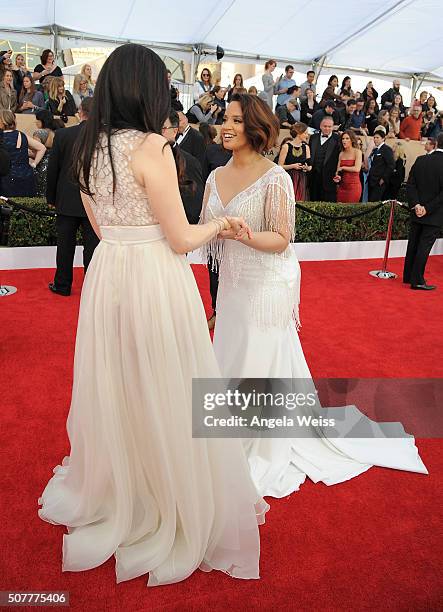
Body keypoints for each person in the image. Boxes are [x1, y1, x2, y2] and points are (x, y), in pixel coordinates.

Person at [38, 45, 267, 585]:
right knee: (166, 382)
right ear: (147, 88)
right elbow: (182, 237)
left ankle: (124, 487)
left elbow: (95, 224)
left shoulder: (88, 146)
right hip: (152, 277)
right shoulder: (153, 147)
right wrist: (223, 227)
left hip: (109, 273)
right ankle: (165, 495)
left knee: (118, 383)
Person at [201, 92, 427, 498]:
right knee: (230, 355)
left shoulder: (276, 178)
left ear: (255, 128)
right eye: (225, 119)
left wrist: (242, 234)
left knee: (257, 359)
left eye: (236, 120)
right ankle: (227, 432)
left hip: (266, 285)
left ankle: (257, 439)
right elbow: (207, 239)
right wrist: (215, 296)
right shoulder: (213, 177)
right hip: (233, 287)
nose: (227, 127)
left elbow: (283, 238)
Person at [46, 97, 99, 296]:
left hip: (66, 200)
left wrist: (51, 198)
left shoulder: (63, 134)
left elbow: (53, 170)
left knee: (65, 245)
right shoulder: (103, 137)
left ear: (80, 112)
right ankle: (91, 289)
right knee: (92, 248)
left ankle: (62, 285)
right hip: (93, 202)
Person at [403, 132, 443, 290]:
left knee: (413, 243)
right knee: (423, 246)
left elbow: (410, 184)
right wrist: (427, 208)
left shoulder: (421, 160)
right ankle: (417, 280)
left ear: (437, 143)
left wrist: (417, 205)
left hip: (417, 211)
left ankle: (408, 276)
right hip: (434, 214)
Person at [163, 110, 204, 225]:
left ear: (174, 131)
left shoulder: (189, 163)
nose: (156, 133)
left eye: (162, 128)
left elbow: (193, 210)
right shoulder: (143, 158)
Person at [0, 109, 45, 197]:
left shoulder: (1, 137)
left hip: (6, 179)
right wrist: (34, 164)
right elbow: (42, 148)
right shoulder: (21, 135)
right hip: (26, 176)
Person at [309, 115, 340, 202]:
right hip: (313, 178)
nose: (327, 128)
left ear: (333, 127)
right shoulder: (313, 138)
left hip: (330, 179)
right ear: (320, 126)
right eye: (325, 126)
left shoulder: (338, 139)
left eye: (329, 126)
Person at [278, 122, 311, 200]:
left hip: (302, 179)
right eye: (305, 133)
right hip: (289, 178)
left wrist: (306, 167)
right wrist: (292, 166)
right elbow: (279, 166)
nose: (307, 135)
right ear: (299, 133)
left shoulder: (306, 147)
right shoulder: (286, 147)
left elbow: (310, 167)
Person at [333, 130, 363, 203]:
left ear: (352, 140)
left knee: (350, 211)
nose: (344, 141)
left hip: (354, 187)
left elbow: (357, 169)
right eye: (343, 139)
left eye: (347, 138)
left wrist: (343, 168)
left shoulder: (357, 152)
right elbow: (338, 171)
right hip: (342, 186)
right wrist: (337, 177)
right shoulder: (341, 154)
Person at [367, 128, 395, 201]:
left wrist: (384, 178)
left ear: (383, 139)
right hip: (372, 180)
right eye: (374, 137)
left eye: (377, 137)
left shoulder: (387, 149)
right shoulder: (375, 150)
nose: (375, 139)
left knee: (374, 201)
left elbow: (391, 165)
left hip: (379, 181)